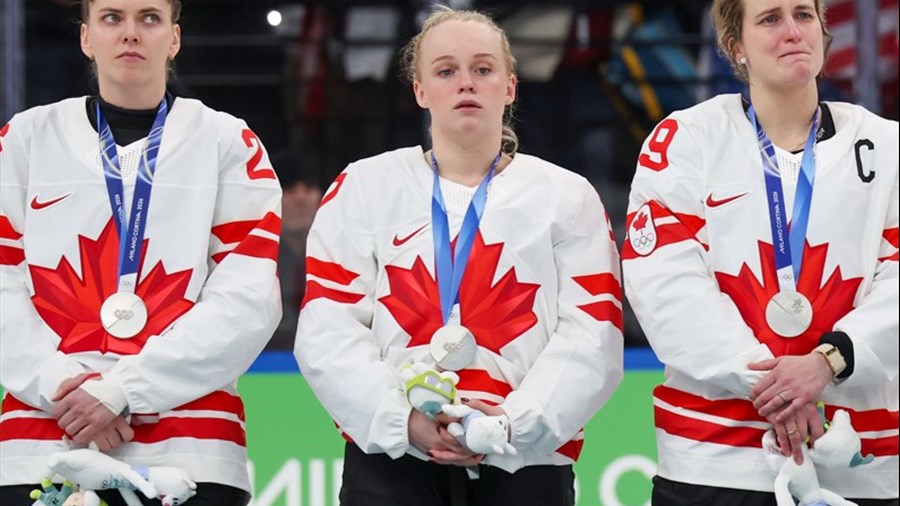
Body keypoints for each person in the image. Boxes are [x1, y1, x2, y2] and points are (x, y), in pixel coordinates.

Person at [294, 6, 624, 506]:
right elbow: (328, 328)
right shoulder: (363, 187)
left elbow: (591, 335)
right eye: (446, 71)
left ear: (510, 87)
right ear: (420, 90)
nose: (465, 83)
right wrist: (403, 421)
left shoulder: (566, 196)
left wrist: (513, 425)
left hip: (526, 462)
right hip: (393, 461)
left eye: (483, 69)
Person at [0, 0, 282, 504]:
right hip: (42, 438)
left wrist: (124, 390)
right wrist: (62, 386)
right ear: (86, 37)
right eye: (113, 18)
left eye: (149, 18)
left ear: (173, 38)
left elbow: (248, 300)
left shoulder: (228, 142)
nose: (131, 33)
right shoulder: (23, 141)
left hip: (192, 446)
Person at [622, 0, 898, 504]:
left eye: (804, 15)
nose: (792, 31)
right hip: (714, 458)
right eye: (770, 19)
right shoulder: (686, 140)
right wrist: (776, 388)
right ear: (736, 47)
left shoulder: (888, 146)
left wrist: (827, 361)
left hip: (863, 459)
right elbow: (666, 284)